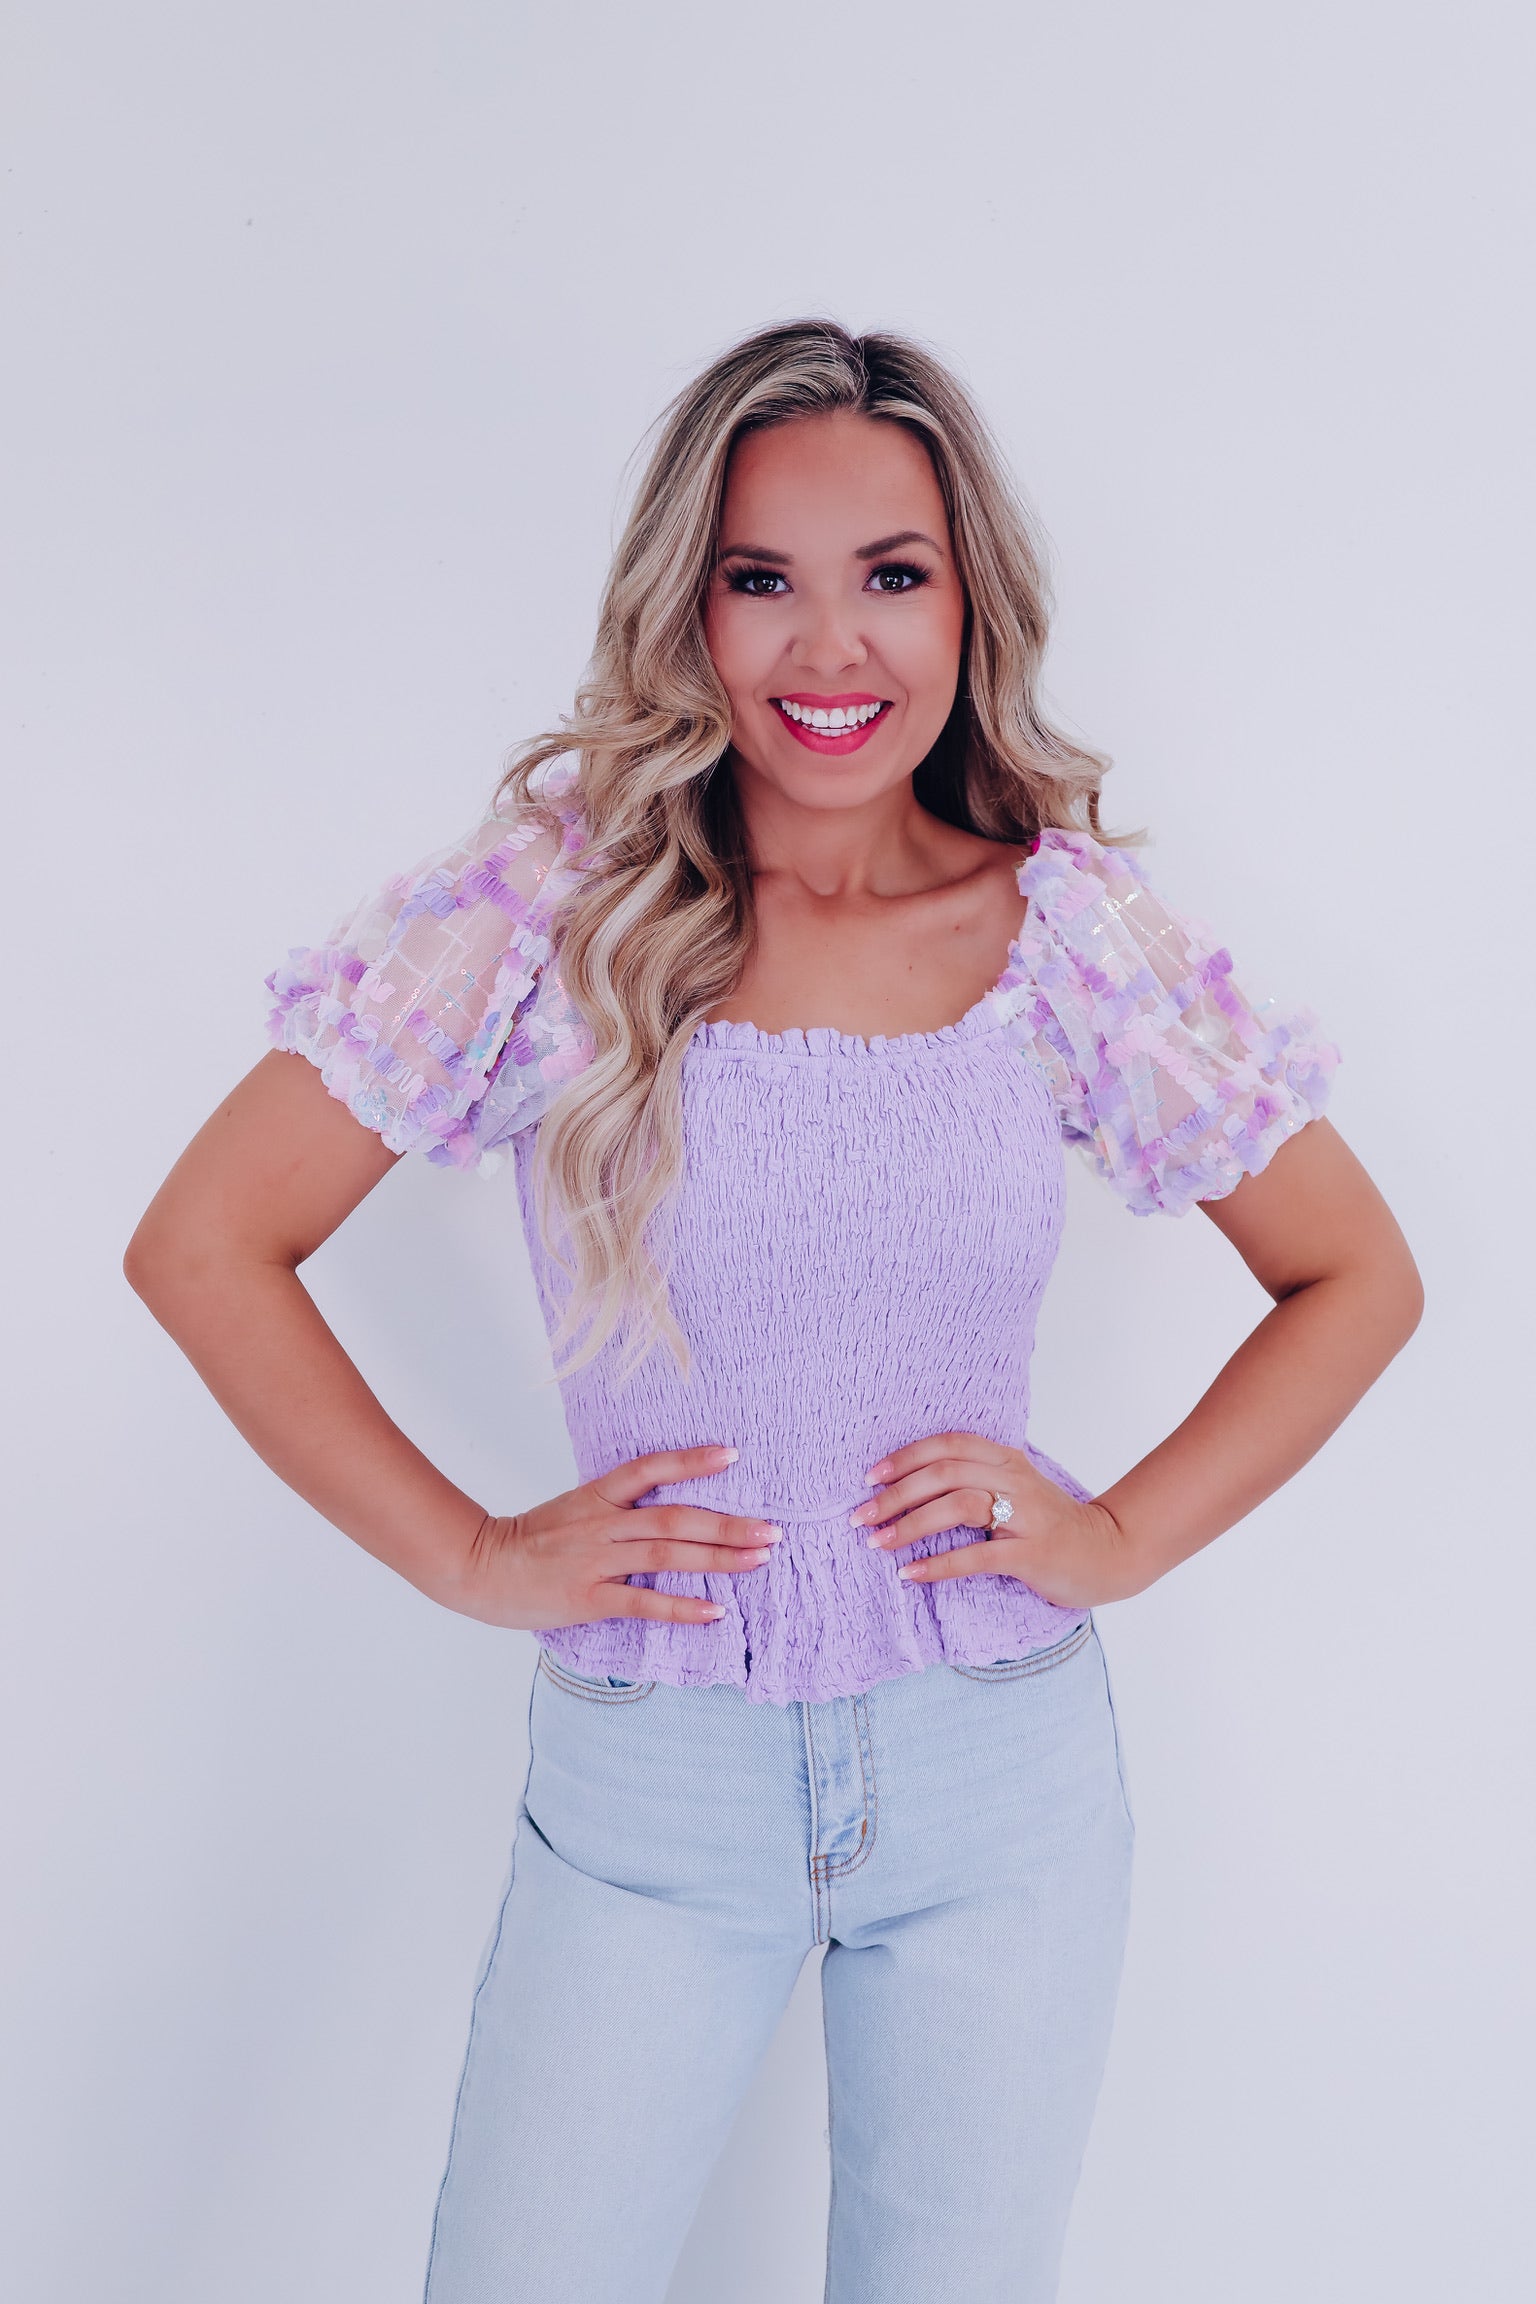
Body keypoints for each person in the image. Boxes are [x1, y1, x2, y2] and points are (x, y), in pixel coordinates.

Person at [123, 320, 1423, 2304]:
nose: (831, 646)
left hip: (998, 1770)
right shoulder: (558, 911)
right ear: (693, 609)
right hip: (656, 1772)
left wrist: (1117, 1536)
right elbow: (206, 1241)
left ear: (970, 602)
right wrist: (472, 1552)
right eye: (762, 579)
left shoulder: (1061, 929)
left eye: (891, 575)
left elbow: (1356, 1274)